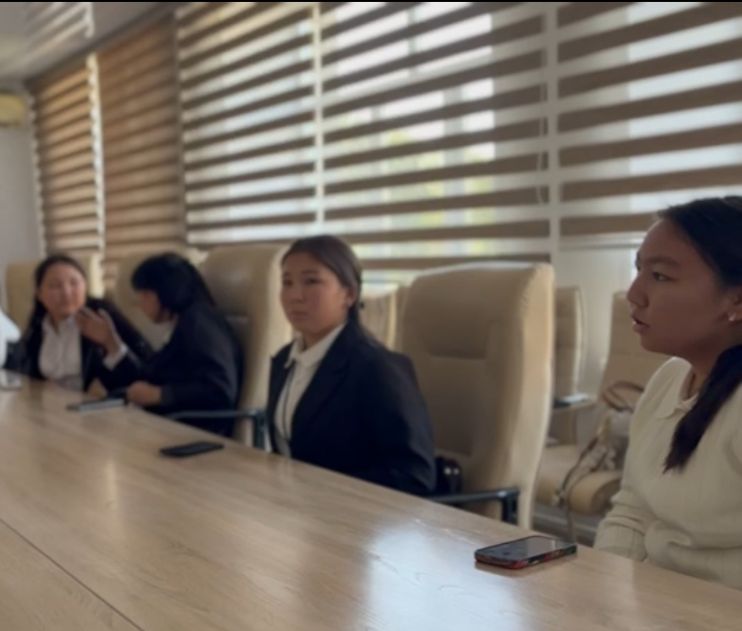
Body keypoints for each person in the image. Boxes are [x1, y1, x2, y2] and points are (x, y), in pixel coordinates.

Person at [595, 197, 742, 590]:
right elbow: (633, 512)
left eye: (660, 276)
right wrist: (598, 597)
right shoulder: (669, 379)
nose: (634, 294)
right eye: (638, 270)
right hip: (655, 604)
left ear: (737, 300)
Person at [267, 235, 436, 495]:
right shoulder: (283, 360)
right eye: (287, 283)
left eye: (311, 281)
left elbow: (415, 476)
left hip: (352, 513)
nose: (294, 296)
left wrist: (325, 491)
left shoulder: (377, 367)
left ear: (349, 294)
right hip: (295, 507)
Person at [79, 252, 243, 436]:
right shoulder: (185, 322)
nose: (140, 304)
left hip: (193, 435)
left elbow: (220, 390)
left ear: (165, 292)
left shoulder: (199, 323)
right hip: (169, 427)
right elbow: (147, 379)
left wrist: (160, 395)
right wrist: (111, 343)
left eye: (145, 295)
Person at [4, 254, 151, 391]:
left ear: (85, 286)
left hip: (95, 405)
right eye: (55, 286)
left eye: (74, 283)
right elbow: (24, 372)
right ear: (39, 294)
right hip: (49, 404)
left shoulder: (101, 315)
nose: (66, 292)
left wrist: (109, 342)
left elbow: (144, 366)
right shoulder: (38, 325)